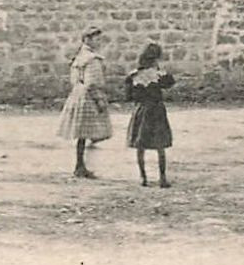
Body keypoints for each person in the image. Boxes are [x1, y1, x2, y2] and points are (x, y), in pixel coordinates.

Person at [57, 27, 113, 178]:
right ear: (87, 40)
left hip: (78, 94)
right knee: (88, 132)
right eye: (97, 39)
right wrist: (99, 100)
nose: (99, 42)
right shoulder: (92, 59)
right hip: (88, 97)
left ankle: (81, 164)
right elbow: (92, 82)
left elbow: (74, 80)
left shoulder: (80, 57)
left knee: (83, 134)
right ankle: (80, 166)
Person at [125, 43, 175, 188]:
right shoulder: (159, 75)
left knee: (141, 145)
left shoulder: (134, 76)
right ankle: (162, 178)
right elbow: (170, 83)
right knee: (160, 145)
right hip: (157, 110)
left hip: (141, 111)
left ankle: (143, 177)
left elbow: (128, 96)